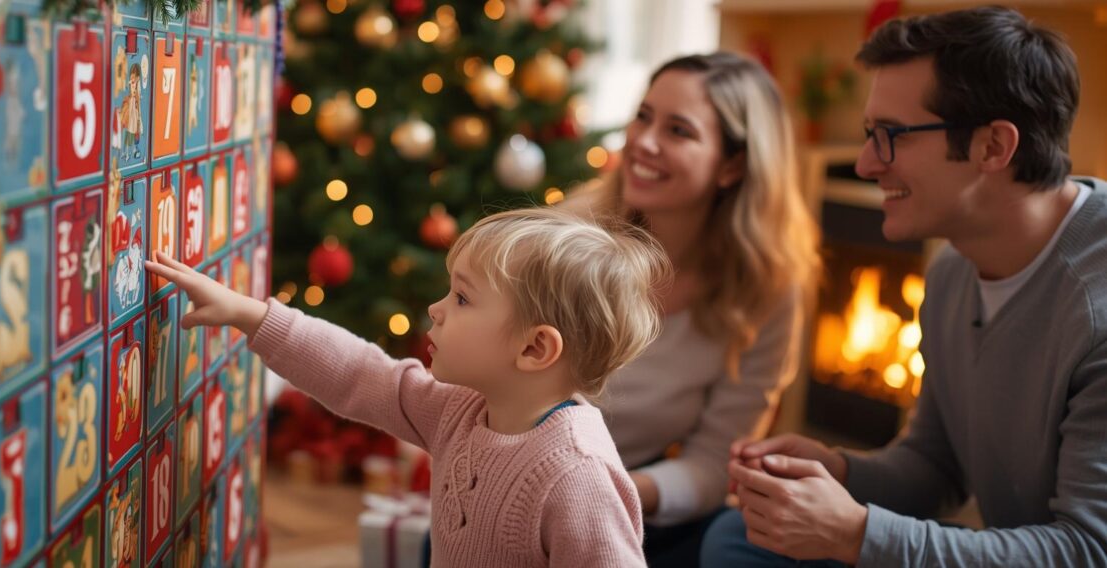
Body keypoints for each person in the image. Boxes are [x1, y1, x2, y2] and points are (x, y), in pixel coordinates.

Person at [705, 6, 1107, 567]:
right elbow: (937, 466)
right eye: (871, 134)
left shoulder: (1096, 305)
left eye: (891, 136)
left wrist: (854, 534)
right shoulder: (952, 269)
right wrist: (837, 472)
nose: (868, 164)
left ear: (993, 147)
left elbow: (1087, 551)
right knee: (735, 536)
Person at [147, 207, 672, 567]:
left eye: (462, 299)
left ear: (535, 349)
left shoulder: (578, 476)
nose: (435, 309)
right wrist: (250, 315)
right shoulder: (459, 410)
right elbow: (360, 372)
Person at [563, 51, 821, 567]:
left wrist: (616, 491)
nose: (644, 142)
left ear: (733, 165)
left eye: (678, 130)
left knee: (736, 536)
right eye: (643, 116)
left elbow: (714, 461)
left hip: (636, 498)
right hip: (517, 487)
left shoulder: (766, 289)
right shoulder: (564, 242)